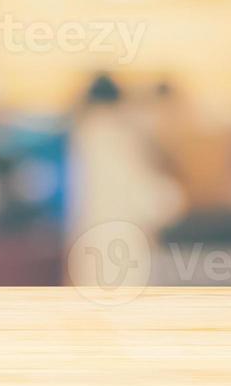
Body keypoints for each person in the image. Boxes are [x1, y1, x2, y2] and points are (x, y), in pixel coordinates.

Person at [66, 73, 185, 286]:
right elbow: (152, 200)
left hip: (91, 240)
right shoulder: (117, 137)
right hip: (123, 244)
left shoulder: (83, 134)